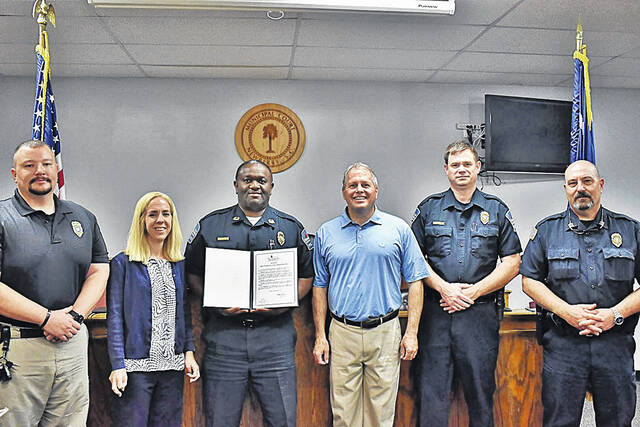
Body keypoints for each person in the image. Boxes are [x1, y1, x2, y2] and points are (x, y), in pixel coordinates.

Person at [184, 159, 314, 427]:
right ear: (236, 185)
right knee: (220, 420)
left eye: (261, 181)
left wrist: (284, 302)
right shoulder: (211, 226)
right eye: (247, 180)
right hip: (224, 339)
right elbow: (192, 273)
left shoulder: (290, 228)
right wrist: (216, 301)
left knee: (283, 421)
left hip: (274, 339)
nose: (254, 185)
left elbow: (307, 275)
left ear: (271, 187)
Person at [410, 141, 521, 427]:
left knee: (481, 394)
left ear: (478, 168)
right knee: (431, 394)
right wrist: (444, 288)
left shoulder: (496, 210)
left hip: (479, 314)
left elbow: (513, 262)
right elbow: (413, 261)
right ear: (446, 170)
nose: (461, 169)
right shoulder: (428, 209)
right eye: (455, 165)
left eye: (467, 164)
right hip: (436, 313)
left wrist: (473, 291)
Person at [521, 160, 640, 427]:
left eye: (587, 181)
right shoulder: (546, 231)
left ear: (600, 185)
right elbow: (529, 281)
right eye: (573, 183)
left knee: (618, 420)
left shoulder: (630, 230)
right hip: (564, 347)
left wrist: (615, 314)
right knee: (559, 421)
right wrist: (568, 313)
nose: (580, 189)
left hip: (615, 345)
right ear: (565, 189)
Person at [0, 140, 109, 426]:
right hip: (18, 348)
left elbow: (99, 270)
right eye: (29, 165)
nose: (40, 171)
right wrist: (46, 318)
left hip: (72, 344)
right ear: (14, 174)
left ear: (56, 168)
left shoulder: (83, 217)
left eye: (46, 164)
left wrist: (74, 316)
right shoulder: (2, 218)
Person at [312, 162, 429, 427]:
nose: (359, 190)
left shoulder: (398, 229)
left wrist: (411, 332)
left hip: (385, 331)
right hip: (342, 332)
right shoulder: (326, 233)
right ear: (344, 192)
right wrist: (320, 335)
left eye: (365, 184)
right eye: (353, 185)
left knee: (381, 413)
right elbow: (319, 286)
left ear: (376, 191)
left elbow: (416, 282)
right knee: (343, 413)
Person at [107, 191, 200, 427]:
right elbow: (115, 318)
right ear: (142, 220)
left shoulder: (178, 264)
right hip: (135, 369)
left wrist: (188, 352)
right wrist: (118, 365)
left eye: (166, 214)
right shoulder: (123, 263)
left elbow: (184, 314)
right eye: (153, 214)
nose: (161, 220)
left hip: (173, 367)